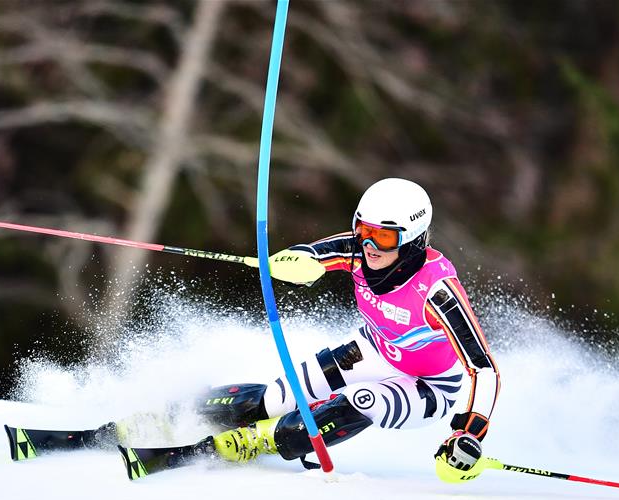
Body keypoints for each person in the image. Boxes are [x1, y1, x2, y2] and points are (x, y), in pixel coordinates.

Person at [192, 178, 501, 481]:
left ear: (413, 239)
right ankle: (186, 410)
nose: (369, 246)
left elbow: (484, 368)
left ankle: (257, 441)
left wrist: (469, 433)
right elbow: (312, 254)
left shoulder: (438, 292)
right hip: (373, 349)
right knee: (273, 400)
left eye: (384, 237)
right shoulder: (357, 251)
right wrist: (295, 261)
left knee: (361, 399)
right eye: (364, 230)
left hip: (427, 386)